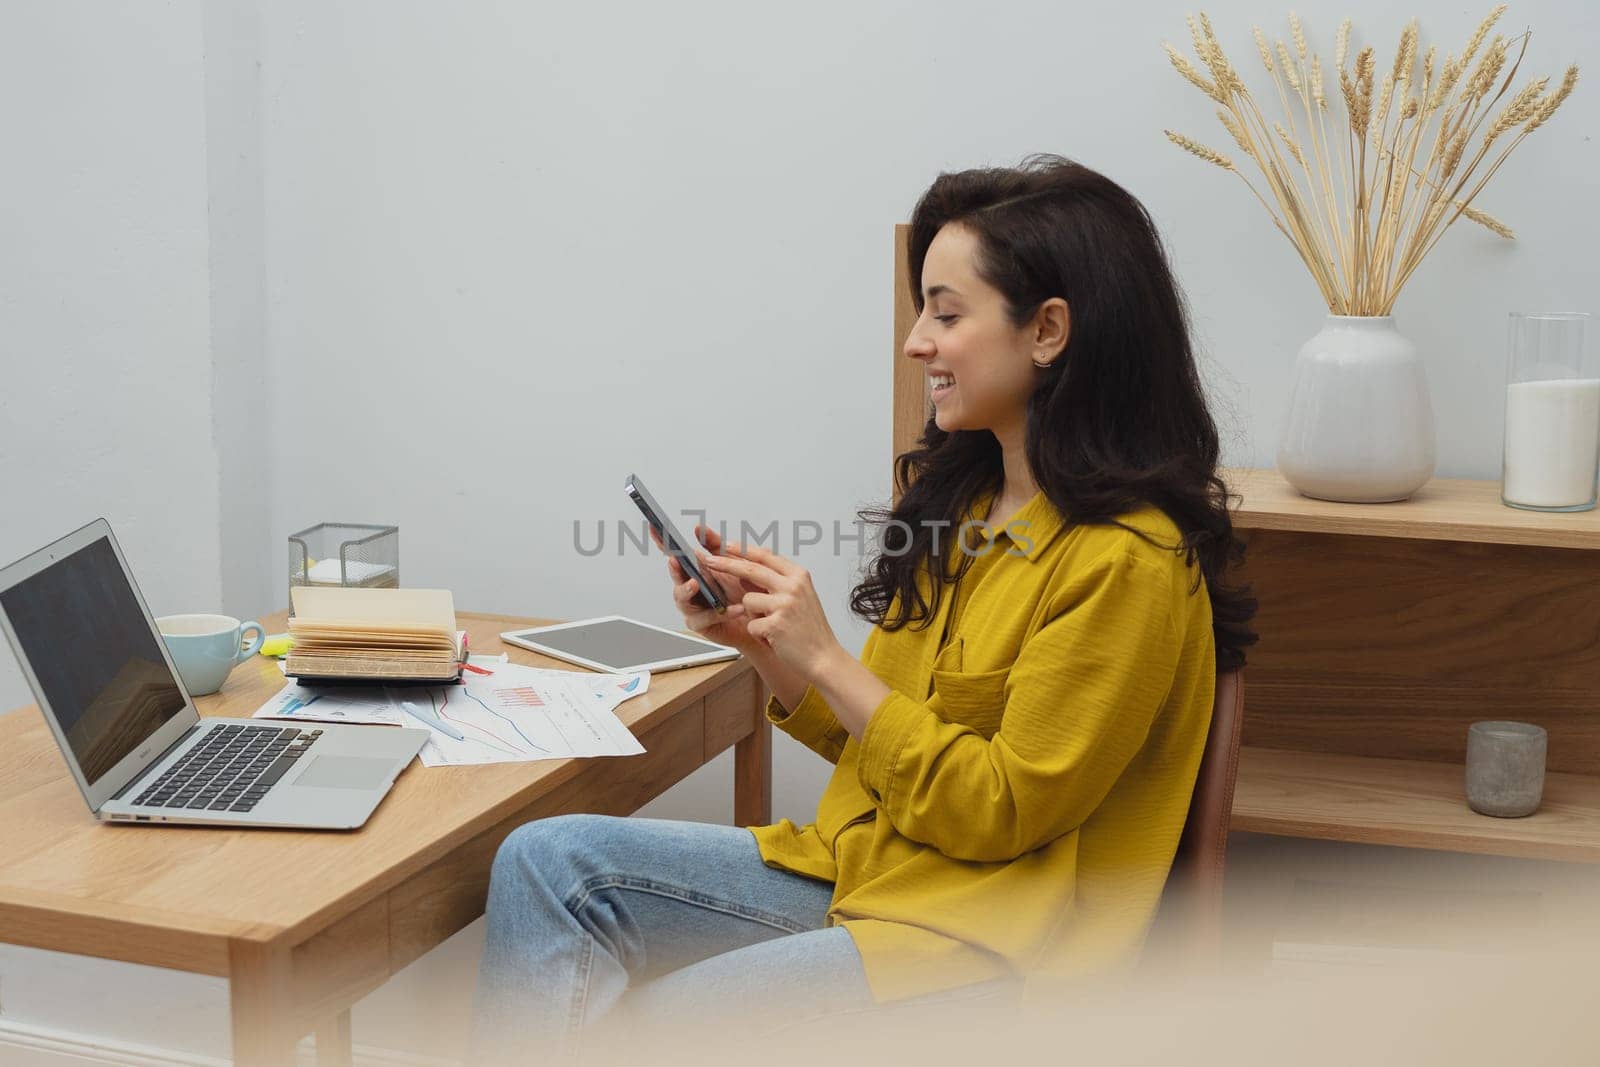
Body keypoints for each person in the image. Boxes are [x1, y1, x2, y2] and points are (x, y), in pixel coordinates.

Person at [471, 153, 1258, 1059]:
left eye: (946, 312)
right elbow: (879, 743)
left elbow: (998, 811)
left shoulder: (1128, 562)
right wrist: (769, 645)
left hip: (989, 947)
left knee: (665, 1024)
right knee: (544, 860)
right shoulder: (969, 510)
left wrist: (830, 659)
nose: (917, 340)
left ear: (1048, 331)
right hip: (874, 873)